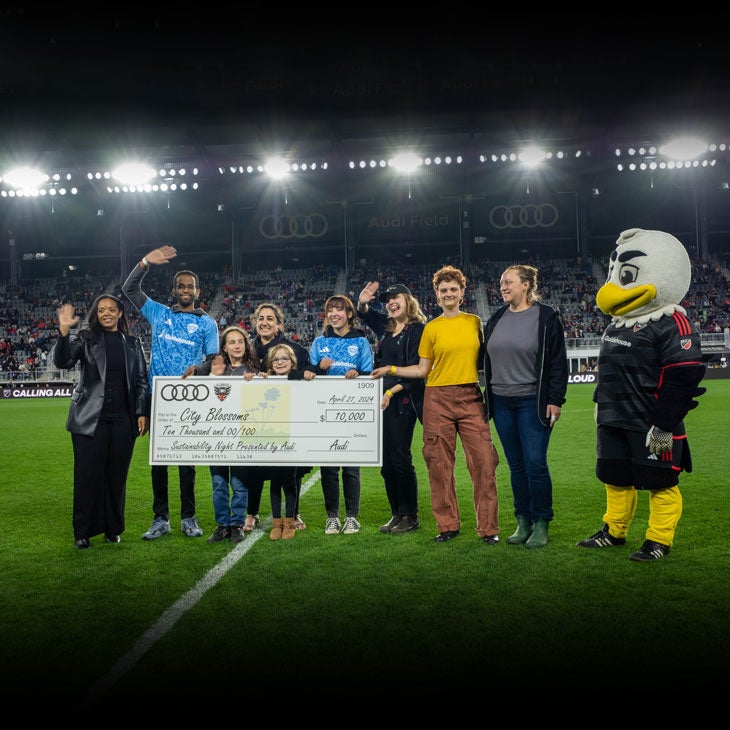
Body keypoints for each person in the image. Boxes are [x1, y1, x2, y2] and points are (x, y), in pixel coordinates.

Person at [576, 228, 706, 561]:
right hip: (612, 417)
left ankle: (658, 540)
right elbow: (607, 370)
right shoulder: (615, 323)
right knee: (614, 477)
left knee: (660, 481)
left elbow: (683, 377)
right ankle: (613, 532)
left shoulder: (673, 322)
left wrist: (664, 424)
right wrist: (598, 406)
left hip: (650, 422)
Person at [371, 265, 500, 544]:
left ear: (462, 292)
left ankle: (488, 529)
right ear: (437, 294)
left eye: (454, 289)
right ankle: (448, 525)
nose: (449, 294)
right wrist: (391, 368)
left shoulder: (475, 322)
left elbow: (487, 363)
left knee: (484, 463)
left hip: (469, 396)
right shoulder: (430, 328)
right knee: (439, 466)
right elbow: (421, 371)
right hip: (437, 398)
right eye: (443, 290)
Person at [122, 245, 219, 541]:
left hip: (190, 399)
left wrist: (199, 371)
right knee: (159, 461)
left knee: (187, 463)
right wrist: (144, 263)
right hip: (158, 397)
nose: (185, 290)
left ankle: (189, 517)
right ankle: (160, 518)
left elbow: (214, 361)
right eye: (180, 286)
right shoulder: (159, 313)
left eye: (190, 286)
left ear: (198, 292)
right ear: (174, 290)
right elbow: (129, 289)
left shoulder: (207, 323)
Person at [52, 295, 149, 549]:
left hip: (122, 421)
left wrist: (141, 412)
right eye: (102, 310)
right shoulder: (86, 338)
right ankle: (83, 532)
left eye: (111, 309)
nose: (106, 313)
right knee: (87, 477)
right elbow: (62, 361)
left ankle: (112, 529)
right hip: (89, 419)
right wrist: (63, 333)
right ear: (97, 314)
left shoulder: (132, 343)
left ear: (120, 313)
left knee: (116, 477)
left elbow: (141, 380)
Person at [483, 265, 568, 548]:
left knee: (535, 463)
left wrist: (555, 399)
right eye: (501, 283)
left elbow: (557, 362)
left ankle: (542, 521)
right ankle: (523, 520)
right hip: (501, 402)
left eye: (508, 282)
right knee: (516, 466)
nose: (503, 287)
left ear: (526, 284)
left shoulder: (546, 317)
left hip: (532, 401)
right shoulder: (496, 318)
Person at [357, 281, 427, 534]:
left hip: (402, 399)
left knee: (400, 458)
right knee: (385, 462)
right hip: (382, 400)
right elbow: (365, 314)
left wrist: (390, 390)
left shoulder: (418, 330)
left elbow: (417, 372)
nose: (391, 302)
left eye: (396, 297)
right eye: (388, 300)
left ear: (409, 301)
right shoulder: (387, 328)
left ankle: (410, 515)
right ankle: (396, 514)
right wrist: (363, 301)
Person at [244, 302, 316, 532]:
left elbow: (307, 375)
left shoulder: (294, 349)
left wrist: (314, 371)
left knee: (292, 467)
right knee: (254, 467)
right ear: (255, 322)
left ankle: (293, 513)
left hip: (290, 416)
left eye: (270, 319)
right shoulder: (247, 349)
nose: (264, 322)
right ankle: (251, 512)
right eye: (260, 318)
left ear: (279, 324)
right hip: (257, 416)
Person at [184, 325, 259, 544]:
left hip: (242, 435)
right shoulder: (216, 369)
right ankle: (222, 525)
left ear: (246, 345)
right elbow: (201, 398)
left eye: (240, 341)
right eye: (231, 342)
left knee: (238, 483)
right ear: (224, 347)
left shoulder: (253, 370)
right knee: (218, 483)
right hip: (216, 436)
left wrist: (255, 380)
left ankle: (236, 524)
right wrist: (211, 377)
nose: (236, 346)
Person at [309, 294, 373, 535]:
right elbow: (308, 376)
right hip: (325, 415)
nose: (334, 314)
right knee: (328, 468)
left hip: (352, 413)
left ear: (349, 314)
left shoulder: (362, 342)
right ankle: (332, 517)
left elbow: (369, 375)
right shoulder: (318, 343)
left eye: (339, 309)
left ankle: (352, 517)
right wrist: (317, 368)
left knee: (350, 467)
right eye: (330, 310)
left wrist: (359, 373)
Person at [260, 342, 316, 540]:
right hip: (272, 438)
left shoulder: (300, 379)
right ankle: (277, 522)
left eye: (284, 358)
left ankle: (290, 521)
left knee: (291, 480)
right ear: (270, 363)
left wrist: (308, 374)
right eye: (276, 359)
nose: (280, 362)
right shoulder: (264, 381)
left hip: (294, 438)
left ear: (292, 361)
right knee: (275, 481)